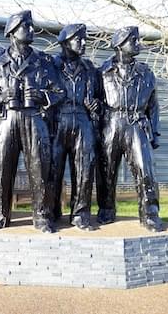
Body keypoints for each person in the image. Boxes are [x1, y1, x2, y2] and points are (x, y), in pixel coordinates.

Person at [0, 10, 63, 233]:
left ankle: (42, 216)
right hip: (6, 120)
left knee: (40, 168)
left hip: (34, 119)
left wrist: (42, 96)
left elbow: (59, 91)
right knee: (1, 170)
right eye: (26, 27)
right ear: (13, 32)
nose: (31, 30)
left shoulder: (43, 61)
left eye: (31, 26)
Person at [96, 26, 163, 232]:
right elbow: (95, 101)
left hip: (136, 123)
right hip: (111, 123)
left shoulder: (146, 73)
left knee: (145, 171)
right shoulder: (102, 72)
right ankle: (106, 209)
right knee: (106, 171)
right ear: (119, 45)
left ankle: (150, 213)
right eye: (133, 40)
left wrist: (155, 132)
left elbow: (153, 105)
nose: (138, 44)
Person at [51, 24, 101, 230]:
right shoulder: (51, 65)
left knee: (84, 170)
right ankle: (52, 212)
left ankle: (80, 214)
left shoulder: (90, 69)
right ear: (65, 42)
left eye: (84, 39)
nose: (83, 43)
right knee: (53, 170)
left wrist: (95, 106)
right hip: (58, 120)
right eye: (78, 39)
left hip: (83, 120)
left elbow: (101, 97)